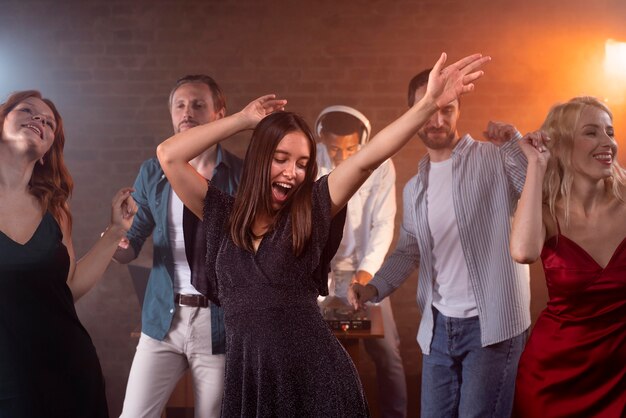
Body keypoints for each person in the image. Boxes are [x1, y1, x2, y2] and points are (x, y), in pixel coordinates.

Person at [156, 52, 488, 417]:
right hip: (250, 381)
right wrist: (242, 119)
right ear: (258, 158)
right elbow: (169, 155)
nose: (292, 173)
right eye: (281, 158)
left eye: (302, 164)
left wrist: (427, 107)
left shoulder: (308, 210)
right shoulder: (223, 214)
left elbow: (366, 159)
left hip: (315, 381)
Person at [349, 68, 531, 417]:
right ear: (412, 116)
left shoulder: (494, 158)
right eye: (428, 109)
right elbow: (408, 251)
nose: (437, 118)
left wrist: (514, 141)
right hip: (437, 330)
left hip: (491, 329)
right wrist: (372, 289)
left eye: (447, 108)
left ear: (458, 110)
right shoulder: (416, 187)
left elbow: (539, 191)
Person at [0, 90, 136, 417]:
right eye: (28, 111)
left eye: (48, 122)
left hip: (69, 369)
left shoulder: (55, 210)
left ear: (47, 151)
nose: (39, 120)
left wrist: (116, 230)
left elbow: (69, 288)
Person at [115, 75, 242, 418]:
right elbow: (131, 242)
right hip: (162, 320)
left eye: (199, 104)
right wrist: (116, 238)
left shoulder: (242, 176)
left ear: (220, 114)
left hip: (220, 326)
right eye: (180, 105)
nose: (188, 112)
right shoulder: (153, 171)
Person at [511, 97, 626, 417]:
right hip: (553, 378)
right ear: (560, 144)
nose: (608, 143)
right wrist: (536, 164)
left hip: (620, 378)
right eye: (591, 133)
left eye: (610, 132)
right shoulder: (546, 212)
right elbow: (523, 251)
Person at [315, 105, 407, 418]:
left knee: (387, 352)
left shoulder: (381, 164)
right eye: (334, 148)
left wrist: (364, 278)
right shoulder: (310, 161)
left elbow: (384, 224)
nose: (342, 156)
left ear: (363, 141)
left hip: (365, 270)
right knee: (316, 352)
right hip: (319, 272)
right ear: (322, 139)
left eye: (351, 148)